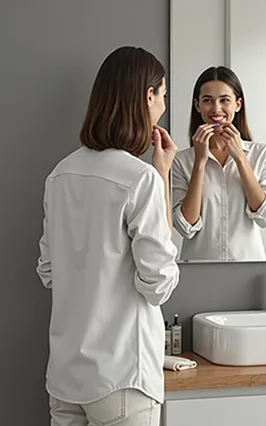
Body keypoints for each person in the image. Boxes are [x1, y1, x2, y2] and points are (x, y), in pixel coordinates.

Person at [36, 46, 180, 426]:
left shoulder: (59, 175)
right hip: (121, 379)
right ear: (147, 96)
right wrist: (161, 176)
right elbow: (159, 285)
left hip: (65, 377)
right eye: (163, 95)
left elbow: (48, 271)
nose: (163, 106)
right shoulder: (140, 178)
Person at [172, 66, 266, 261]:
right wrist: (200, 161)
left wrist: (240, 157)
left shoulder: (262, 154)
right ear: (197, 106)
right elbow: (185, 227)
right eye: (207, 101)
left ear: (238, 104)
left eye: (224, 100)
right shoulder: (181, 161)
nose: (216, 109)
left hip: (248, 269)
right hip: (200, 271)